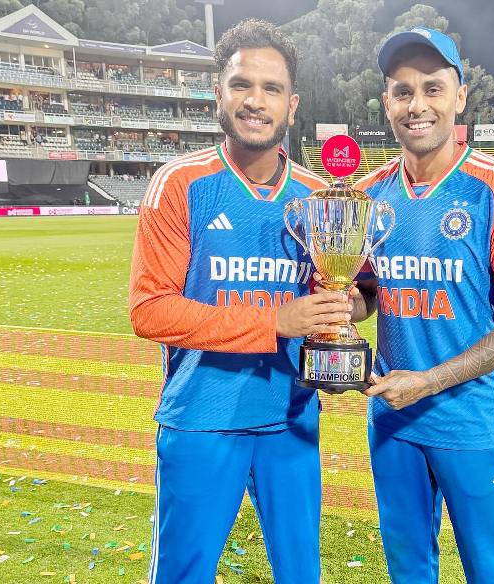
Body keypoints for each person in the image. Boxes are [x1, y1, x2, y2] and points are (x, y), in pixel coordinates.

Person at [128, 19, 350, 584]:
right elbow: (149, 309)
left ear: (292, 104)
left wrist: (336, 336)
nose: (256, 101)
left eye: (272, 88)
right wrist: (276, 321)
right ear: (218, 94)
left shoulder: (319, 196)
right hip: (201, 419)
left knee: (302, 573)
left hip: (291, 419)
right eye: (242, 85)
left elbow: (349, 293)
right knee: (183, 572)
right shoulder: (179, 183)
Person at [352, 28, 494, 583]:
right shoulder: (367, 195)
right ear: (387, 102)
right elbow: (368, 290)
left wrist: (432, 380)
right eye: (402, 91)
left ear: (460, 97)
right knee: (408, 572)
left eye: (433, 89)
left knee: (493, 572)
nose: (418, 105)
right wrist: (340, 308)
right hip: (392, 418)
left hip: (470, 421)